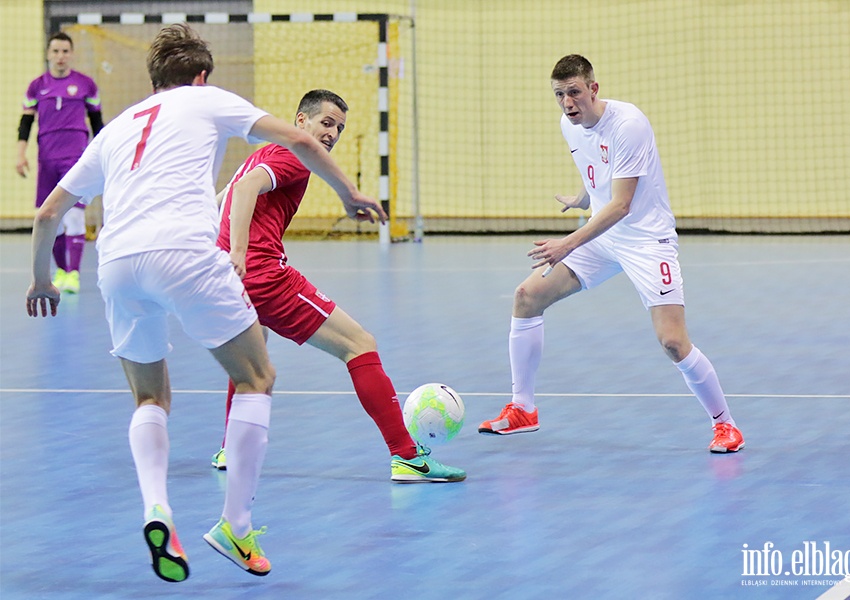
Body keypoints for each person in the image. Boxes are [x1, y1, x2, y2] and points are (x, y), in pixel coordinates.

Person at [26, 24, 384, 582]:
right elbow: (303, 141)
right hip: (186, 254)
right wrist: (350, 193)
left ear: (153, 80)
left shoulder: (117, 128)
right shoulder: (207, 98)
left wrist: (41, 281)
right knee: (256, 377)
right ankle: (235, 526)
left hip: (116, 263)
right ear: (199, 77)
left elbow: (48, 213)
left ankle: (157, 510)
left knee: (150, 399)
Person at [478, 54, 744, 453]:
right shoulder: (570, 127)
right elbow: (600, 172)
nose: (568, 103)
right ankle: (523, 409)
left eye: (574, 93)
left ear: (593, 89)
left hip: (645, 241)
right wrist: (583, 196)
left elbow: (621, 204)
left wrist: (567, 243)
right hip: (604, 238)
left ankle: (726, 425)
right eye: (559, 95)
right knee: (526, 297)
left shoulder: (629, 125)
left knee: (673, 341)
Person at [210, 89, 465, 484]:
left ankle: (233, 448)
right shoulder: (292, 154)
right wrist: (239, 255)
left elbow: (222, 198)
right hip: (263, 275)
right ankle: (407, 456)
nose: (331, 134)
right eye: (326, 123)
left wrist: (219, 256)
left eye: (339, 129)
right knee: (359, 344)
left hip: (232, 280)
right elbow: (241, 193)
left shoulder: (261, 153)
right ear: (301, 122)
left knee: (249, 358)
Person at [18, 31, 103, 294]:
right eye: (55, 51)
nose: (60, 56)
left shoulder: (86, 85)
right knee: (49, 218)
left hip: (75, 159)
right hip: (47, 160)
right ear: (48, 54)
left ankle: (74, 274)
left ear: (72, 54)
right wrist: (20, 153)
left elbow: (99, 125)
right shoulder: (36, 86)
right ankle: (61, 272)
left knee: (75, 217)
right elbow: (25, 123)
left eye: (65, 51)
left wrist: (103, 157)